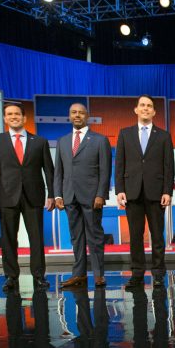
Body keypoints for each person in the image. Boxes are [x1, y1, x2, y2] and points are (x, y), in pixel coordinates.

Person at [0, 103, 54, 292]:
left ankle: (39, 276)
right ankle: (11, 277)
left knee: (37, 238)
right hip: (5, 196)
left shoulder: (40, 141)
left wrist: (53, 194)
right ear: (5, 118)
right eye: (9, 114)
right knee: (8, 238)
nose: (13, 117)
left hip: (34, 196)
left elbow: (49, 170)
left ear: (24, 118)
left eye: (17, 114)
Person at [115, 95, 174, 288]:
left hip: (157, 193)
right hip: (132, 192)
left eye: (149, 106)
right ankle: (137, 274)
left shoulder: (163, 136)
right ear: (136, 109)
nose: (146, 108)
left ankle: (158, 274)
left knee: (157, 236)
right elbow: (120, 164)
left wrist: (167, 191)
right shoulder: (125, 134)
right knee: (135, 236)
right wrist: (120, 190)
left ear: (154, 111)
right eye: (142, 105)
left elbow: (168, 165)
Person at [54, 103, 112, 288]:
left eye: (81, 112)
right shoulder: (62, 141)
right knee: (76, 237)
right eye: (73, 112)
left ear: (87, 116)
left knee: (94, 236)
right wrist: (57, 195)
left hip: (91, 197)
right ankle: (78, 274)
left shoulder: (100, 140)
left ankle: (98, 275)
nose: (77, 115)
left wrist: (101, 194)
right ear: (69, 116)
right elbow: (59, 172)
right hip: (69, 196)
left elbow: (105, 170)